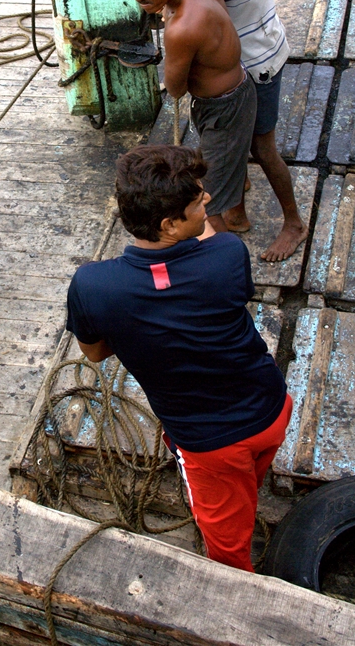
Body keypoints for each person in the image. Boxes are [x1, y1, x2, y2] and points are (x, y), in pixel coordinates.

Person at [67, 144, 292, 572]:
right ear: (169, 224)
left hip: (211, 449)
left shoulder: (93, 286)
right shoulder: (228, 254)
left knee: (228, 556)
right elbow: (206, 256)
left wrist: (138, 331)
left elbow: (94, 353)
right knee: (247, 480)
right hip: (273, 409)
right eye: (197, 201)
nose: (207, 200)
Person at [154, 0, 307, 262]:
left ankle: (293, 223)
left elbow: (178, 72)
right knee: (239, 145)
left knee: (262, 146)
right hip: (249, 45)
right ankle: (237, 209)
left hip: (259, 59)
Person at [115, 0, 256, 234]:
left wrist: (171, 33)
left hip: (223, 108)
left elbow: (176, 88)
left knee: (207, 201)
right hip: (238, 87)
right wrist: (165, 6)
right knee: (224, 163)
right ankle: (239, 218)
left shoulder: (182, 28)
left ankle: (223, 257)